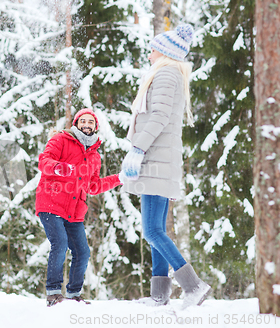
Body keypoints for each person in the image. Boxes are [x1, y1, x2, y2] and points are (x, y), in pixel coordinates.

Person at [121, 24, 211, 308]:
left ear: (165, 51)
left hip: (155, 159)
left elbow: (158, 116)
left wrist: (138, 147)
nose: (149, 54)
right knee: (155, 228)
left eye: (153, 48)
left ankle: (193, 286)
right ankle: (159, 295)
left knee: (151, 230)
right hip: (158, 160)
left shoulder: (167, 73)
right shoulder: (167, 73)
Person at [35, 108, 122, 307]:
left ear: (95, 127)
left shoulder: (94, 156)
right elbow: (44, 161)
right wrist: (59, 167)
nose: (86, 125)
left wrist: (119, 179)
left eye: (90, 122)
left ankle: (73, 294)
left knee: (82, 252)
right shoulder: (61, 140)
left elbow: (93, 186)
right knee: (60, 243)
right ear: (76, 124)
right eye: (83, 121)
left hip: (74, 211)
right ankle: (54, 292)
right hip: (51, 202)